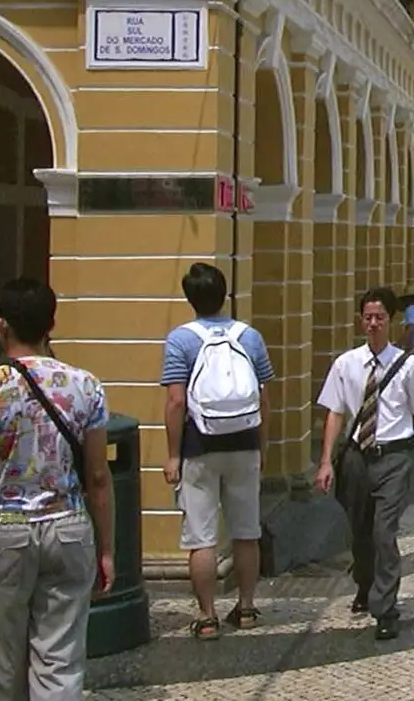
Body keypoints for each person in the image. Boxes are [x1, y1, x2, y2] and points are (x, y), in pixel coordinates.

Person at [0, 278, 114, 700]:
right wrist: (106, 549)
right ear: (52, 324)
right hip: (68, 528)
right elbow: (99, 476)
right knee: (60, 662)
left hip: (4, 533)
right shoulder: (85, 386)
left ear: (0, 324)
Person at [316, 287, 414, 640]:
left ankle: (385, 607)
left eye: (380, 318)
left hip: (395, 456)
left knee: (384, 532)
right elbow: (335, 414)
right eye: (368, 318)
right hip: (357, 456)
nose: (373, 324)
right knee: (360, 530)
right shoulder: (346, 364)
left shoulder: (408, 366)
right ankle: (365, 583)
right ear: (361, 321)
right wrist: (326, 461)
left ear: (391, 321)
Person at [161, 262, 275, 639]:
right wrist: (263, 446)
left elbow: (176, 401)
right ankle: (245, 608)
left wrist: (173, 454)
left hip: (199, 447)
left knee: (202, 537)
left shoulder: (181, 339)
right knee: (246, 531)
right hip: (244, 443)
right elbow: (264, 397)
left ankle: (207, 617)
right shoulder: (250, 336)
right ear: (225, 294)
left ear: (189, 298)